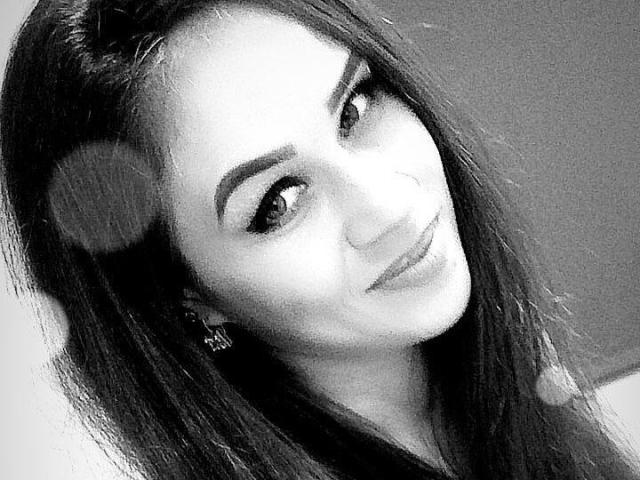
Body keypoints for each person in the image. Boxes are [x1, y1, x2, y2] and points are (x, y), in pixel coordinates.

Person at [1, 0, 638, 479]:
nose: (387, 206)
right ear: (190, 297)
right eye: (278, 202)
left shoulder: (506, 397)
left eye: (356, 108)